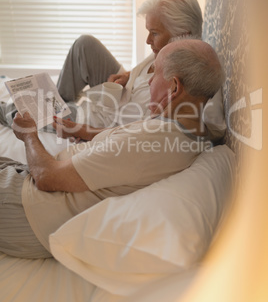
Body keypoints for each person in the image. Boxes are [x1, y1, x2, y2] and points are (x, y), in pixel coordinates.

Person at [0, 38, 224, 259]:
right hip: (33, 189)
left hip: (28, 206)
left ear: (174, 87)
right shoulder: (195, 130)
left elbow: (46, 176)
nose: (147, 82)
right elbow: (126, 141)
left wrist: (29, 135)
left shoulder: (146, 142)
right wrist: (85, 131)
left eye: (154, 73)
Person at [52, 0, 203, 141]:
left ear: (182, 35)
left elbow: (133, 135)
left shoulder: (178, 85)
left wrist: (81, 131)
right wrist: (129, 76)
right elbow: (145, 76)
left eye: (155, 33)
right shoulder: (166, 51)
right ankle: (57, 102)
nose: (148, 40)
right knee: (85, 45)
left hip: (103, 121)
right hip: (121, 94)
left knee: (39, 116)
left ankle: (52, 109)